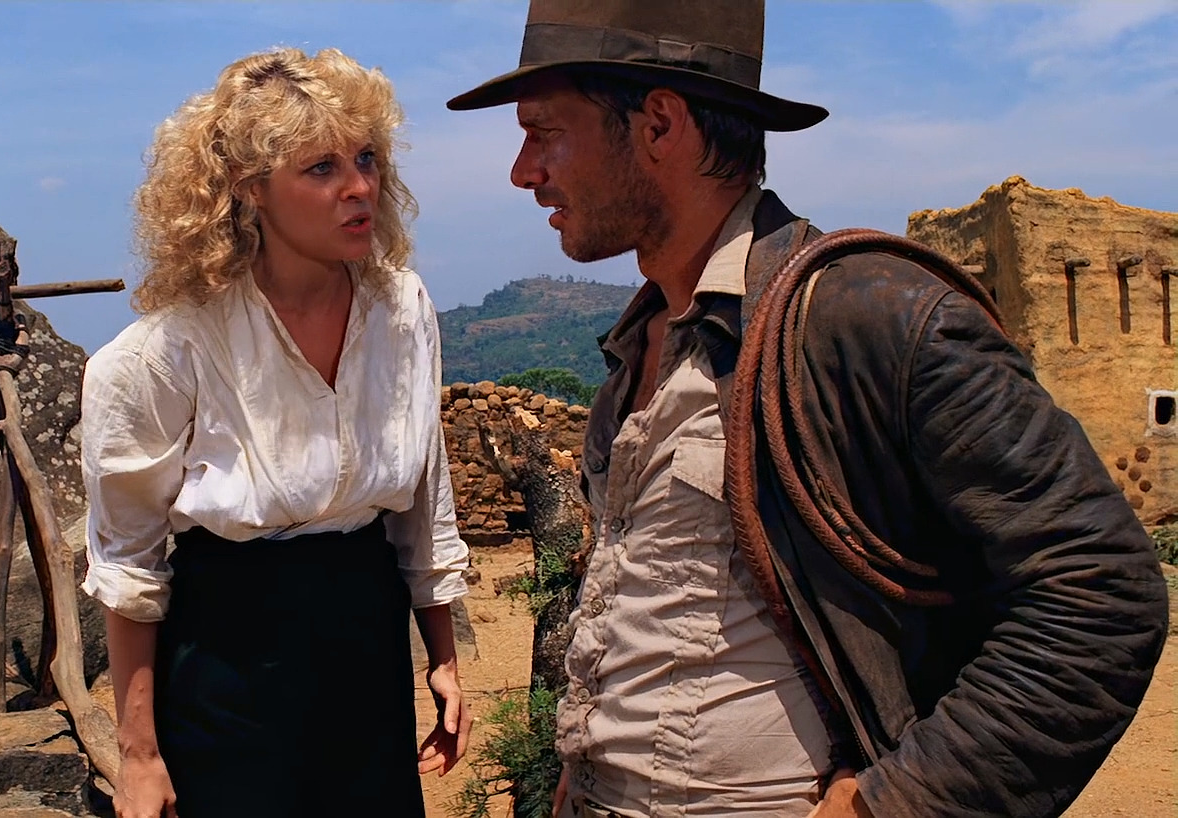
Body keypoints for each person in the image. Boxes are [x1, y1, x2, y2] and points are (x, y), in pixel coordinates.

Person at [444, 3, 1171, 817]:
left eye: (544, 132)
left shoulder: (866, 318)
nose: (523, 171)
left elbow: (1101, 592)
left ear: (659, 124)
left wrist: (897, 804)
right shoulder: (636, 352)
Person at [80, 47, 471, 818]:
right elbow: (128, 564)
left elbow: (426, 497)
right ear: (249, 187)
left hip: (368, 643)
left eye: (366, 158)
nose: (360, 187)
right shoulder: (166, 354)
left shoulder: (402, 311)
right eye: (321, 168)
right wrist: (139, 755)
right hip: (230, 664)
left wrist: (444, 656)